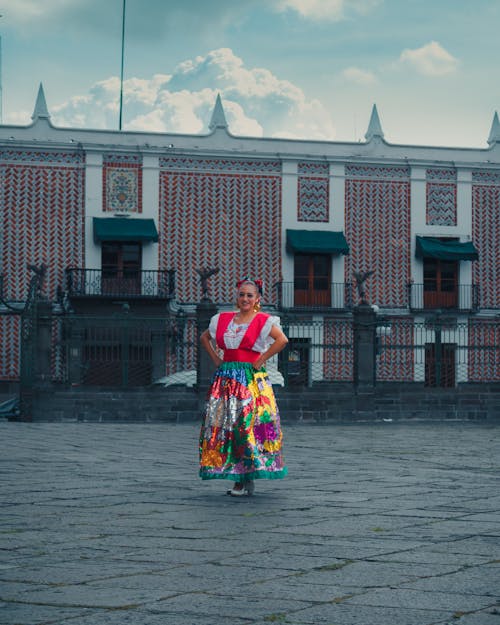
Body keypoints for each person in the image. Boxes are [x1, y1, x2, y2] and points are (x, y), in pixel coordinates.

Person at [199, 277, 288, 496]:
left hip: (250, 379)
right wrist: (217, 360)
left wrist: (261, 359)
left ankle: (247, 475)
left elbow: (282, 340)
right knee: (227, 428)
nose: (245, 298)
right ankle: (239, 478)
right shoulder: (222, 319)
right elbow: (204, 338)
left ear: (258, 299)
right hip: (226, 379)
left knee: (247, 427)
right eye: (242, 294)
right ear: (236, 297)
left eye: (250, 295)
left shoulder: (263, 321)